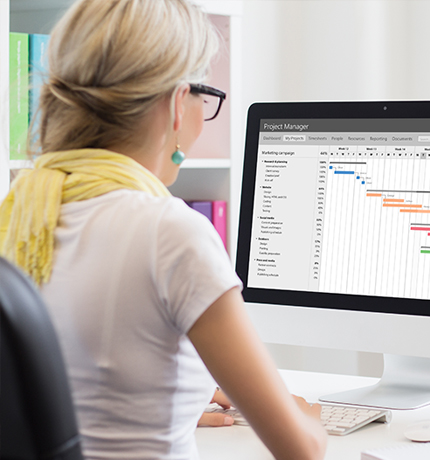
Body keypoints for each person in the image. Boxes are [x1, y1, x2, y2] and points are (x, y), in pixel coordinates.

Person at [0, 0, 327, 459]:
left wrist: (172, 402)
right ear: (177, 102)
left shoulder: (22, 213)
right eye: (206, 95)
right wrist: (311, 420)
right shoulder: (170, 232)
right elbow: (301, 450)